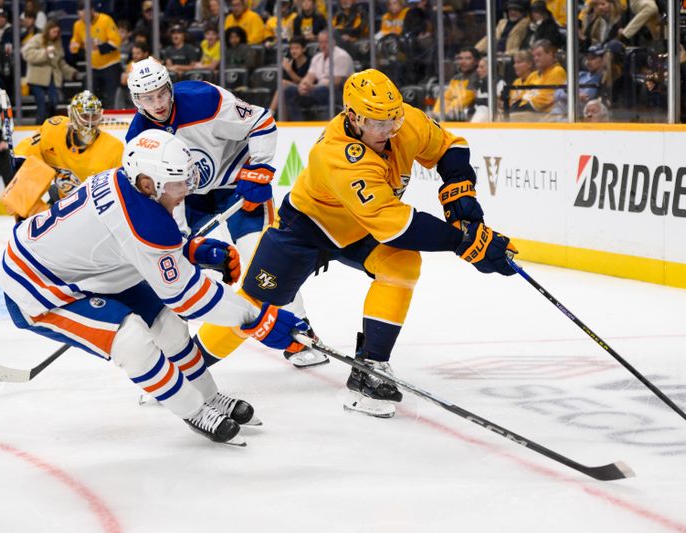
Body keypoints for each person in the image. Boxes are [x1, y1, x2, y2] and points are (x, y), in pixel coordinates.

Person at [195, 69, 518, 419]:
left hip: (361, 229)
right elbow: (400, 227)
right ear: (353, 117)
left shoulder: (401, 120)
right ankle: (188, 368)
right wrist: (466, 242)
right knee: (254, 304)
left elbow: (449, 147)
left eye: (394, 117)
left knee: (401, 264)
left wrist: (460, 192)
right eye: (378, 122)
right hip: (305, 229)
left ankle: (369, 369)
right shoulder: (338, 156)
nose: (390, 129)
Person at [0, 129, 309, 444]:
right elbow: (189, 298)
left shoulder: (131, 189)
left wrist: (190, 250)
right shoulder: (142, 218)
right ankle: (194, 410)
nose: (186, 189)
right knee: (132, 341)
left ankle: (209, 396)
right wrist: (256, 318)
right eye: (178, 182)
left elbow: (134, 247)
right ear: (147, 184)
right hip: (37, 288)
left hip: (91, 268)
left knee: (169, 327)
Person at [125, 57, 326, 368]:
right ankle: (175, 354)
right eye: (148, 98)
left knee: (265, 260)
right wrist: (178, 240)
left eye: (162, 93)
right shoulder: (139, 138)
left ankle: (301, 330)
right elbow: (154, 194)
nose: (158, 103)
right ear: (136, 100)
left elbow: (261, 121)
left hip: (237, 187)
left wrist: (258, 167)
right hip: (187, 198)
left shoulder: (204, 100)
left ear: (170, 87)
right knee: (172, 266)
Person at [10, 92, 123, 218]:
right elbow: (25, 154)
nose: (90, 123)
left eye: (94, 116)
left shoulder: (113, 148)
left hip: (92, 212)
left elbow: (120, 193)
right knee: (19, 190)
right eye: (85, 116)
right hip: (62, 201)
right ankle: (27, 226)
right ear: (72, 115)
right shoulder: (53, 129)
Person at [283, 31, 355, 121]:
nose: (323, 45)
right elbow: (309, 77)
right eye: (321, 42)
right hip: (317, 91)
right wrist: (303, 86)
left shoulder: (341, 56)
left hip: (337, 93)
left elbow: (336, 82)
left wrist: (313, 87)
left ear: (333, 42)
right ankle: (299, 124)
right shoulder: (317, 58)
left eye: (326, 42)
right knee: (290, 91)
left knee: (323, 90)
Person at [22, 20, 79, 126]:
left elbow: (61, 63)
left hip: (53, 79)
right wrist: (45, 53)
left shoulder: (58, 43)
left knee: (54, 102)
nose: (55, 34)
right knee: (42, 103)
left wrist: (72, 73)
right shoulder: (37, 39)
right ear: (48, 30)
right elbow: (27, 54)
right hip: (37, 79)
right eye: (53, 31)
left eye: (57, 32)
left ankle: (50, 125)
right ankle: (39, 126)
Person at [69, 3, 122, 110]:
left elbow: (116, 43)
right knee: (90, 96)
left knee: (111, 97)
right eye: (82, 17)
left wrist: (99, 47)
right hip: (93, 67)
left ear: (92, 11)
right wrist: (74, 46)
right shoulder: (78, 25)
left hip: (110, 65)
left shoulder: (105, 20)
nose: (84, 20)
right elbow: (75, 42)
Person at [513, 39, 567, 116]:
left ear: (550, 54)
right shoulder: (534, 75)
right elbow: (523, 95)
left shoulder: (557, 71)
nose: (536, 58)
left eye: (539, 55)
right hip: (528, 112)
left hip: (545, 115)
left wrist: (520, 109)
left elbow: (545, 100)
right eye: (534, 56)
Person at [432, 46, 480, 121]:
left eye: (468, 58)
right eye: (460, 58)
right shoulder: (456, 78)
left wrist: (445, 113)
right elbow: (446, 97)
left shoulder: (477, 77)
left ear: (477, 61)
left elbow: (465, 98)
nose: (463, 62)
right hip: (450, 114)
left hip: (468, 116)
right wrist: (436, 112)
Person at [269, 36, 310, 116]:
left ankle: (270, 114)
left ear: (304, 49)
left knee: (283, 84)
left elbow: (304, 83)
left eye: (297, 48)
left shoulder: (310, 62)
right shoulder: (291, 62)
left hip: (307, 92)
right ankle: (283, 124)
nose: (293, 51)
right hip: (293, 93)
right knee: (284, 93)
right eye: (291, 48)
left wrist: (289, 70)